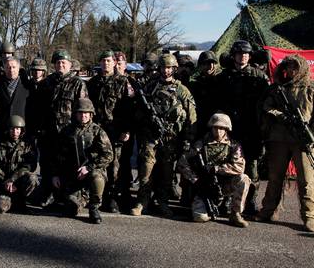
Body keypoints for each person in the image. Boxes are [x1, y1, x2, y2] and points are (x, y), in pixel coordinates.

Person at [130, 54, 197, 217]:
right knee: (146, 168)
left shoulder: (182, 90)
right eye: (163, 67)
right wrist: (146, 120)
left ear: (174, 69)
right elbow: (138, 110)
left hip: (171, 137)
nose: (166, 71)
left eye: (169, 68)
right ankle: (142, 201)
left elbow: (191, 117)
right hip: (151, 137)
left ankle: (163, 202)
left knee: (166, 172)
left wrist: (188, 139)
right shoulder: (150, 87)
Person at [256, 54, 314, 232]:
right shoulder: (276, 89)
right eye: (288, 66)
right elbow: (266, 107)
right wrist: (281, 115)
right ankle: (268, 210)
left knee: (306, 180)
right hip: (278, 138)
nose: (291, 70)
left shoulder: (310, 88)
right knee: (275, 178)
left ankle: (309, 216)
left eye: (294, 67)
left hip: (302, 140)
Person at [215, 40, 268, 215]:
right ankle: (229, 199)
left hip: (252, 129)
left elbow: (266, 103)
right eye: (239, 53)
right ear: (234, 55)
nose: (243, 56)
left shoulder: (258, 77)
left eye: (246, 53)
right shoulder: (224, 77)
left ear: (250, 56)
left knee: (252, 167)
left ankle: (251, 200)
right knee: (230, 165)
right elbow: (218, 103)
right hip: (231, 130)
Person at [177, 113, 250, 227]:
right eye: (215, 127)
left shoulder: (233, 145)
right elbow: (182, 162)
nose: (218, 131)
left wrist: (217, 169)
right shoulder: (201, 144)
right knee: (199, 218)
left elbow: (239, 167)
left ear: (227, 129)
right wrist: (195, 179)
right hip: (205, 187)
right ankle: (211, 206)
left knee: (243, 179)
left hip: (225, 184)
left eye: (221, 128)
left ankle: (235, 214)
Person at [38, 49, 88, 206]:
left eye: (64, 63)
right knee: (47, 164)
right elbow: (39, 108)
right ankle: (48, 193)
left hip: (68, 133)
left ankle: (66, 195)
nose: (61, 65)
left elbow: (83, 109)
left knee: (67, 165)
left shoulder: (78, 84)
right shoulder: (46, 83)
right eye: (58, 62)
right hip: (49, 131)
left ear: (70, 65)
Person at [52, 98, 113, 224]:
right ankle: (82, 198)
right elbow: (58, 155)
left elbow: (108, 155)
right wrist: (56, 174)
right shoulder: (67, 131)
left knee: (97, 177)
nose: (83, 115)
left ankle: (94, 208)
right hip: (73, 175)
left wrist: (89, 167)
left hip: (91, 172)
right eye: (80, 112)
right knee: (70, 209)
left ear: (91, 114)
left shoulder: (98, 131)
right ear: (75, 114)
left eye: (86, 113)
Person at [85, 50, 130, 213]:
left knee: (115, 166)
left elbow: (129, 108)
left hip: (115, 131)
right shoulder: (92, 83)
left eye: (109, 61)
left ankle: (112, 198)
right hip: (96, 131)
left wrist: (126, 129)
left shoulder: (123, 82)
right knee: (97, 162)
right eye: (103, 60)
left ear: (114, 62)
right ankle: (96, 196)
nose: (106, 63)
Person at [0, 115, 38, 214]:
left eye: (18, 129)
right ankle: (11, 201)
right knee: (1, 208)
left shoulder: (28, 144)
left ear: (22, 130)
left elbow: (29, 165)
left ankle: (21, 201)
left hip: (18, 180)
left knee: (32, 178)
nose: (15, 132)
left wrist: (12, 179)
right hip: (3, 182)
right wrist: (6, 181)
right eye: (12, 129)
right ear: (8, 129)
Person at [0, 57, 29, 138]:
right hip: (2, 129)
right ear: (4, 69)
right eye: (8, 67)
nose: (11, 70)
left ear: (19, 68)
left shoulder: (27, 86)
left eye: (14, 67)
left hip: (20, 130)